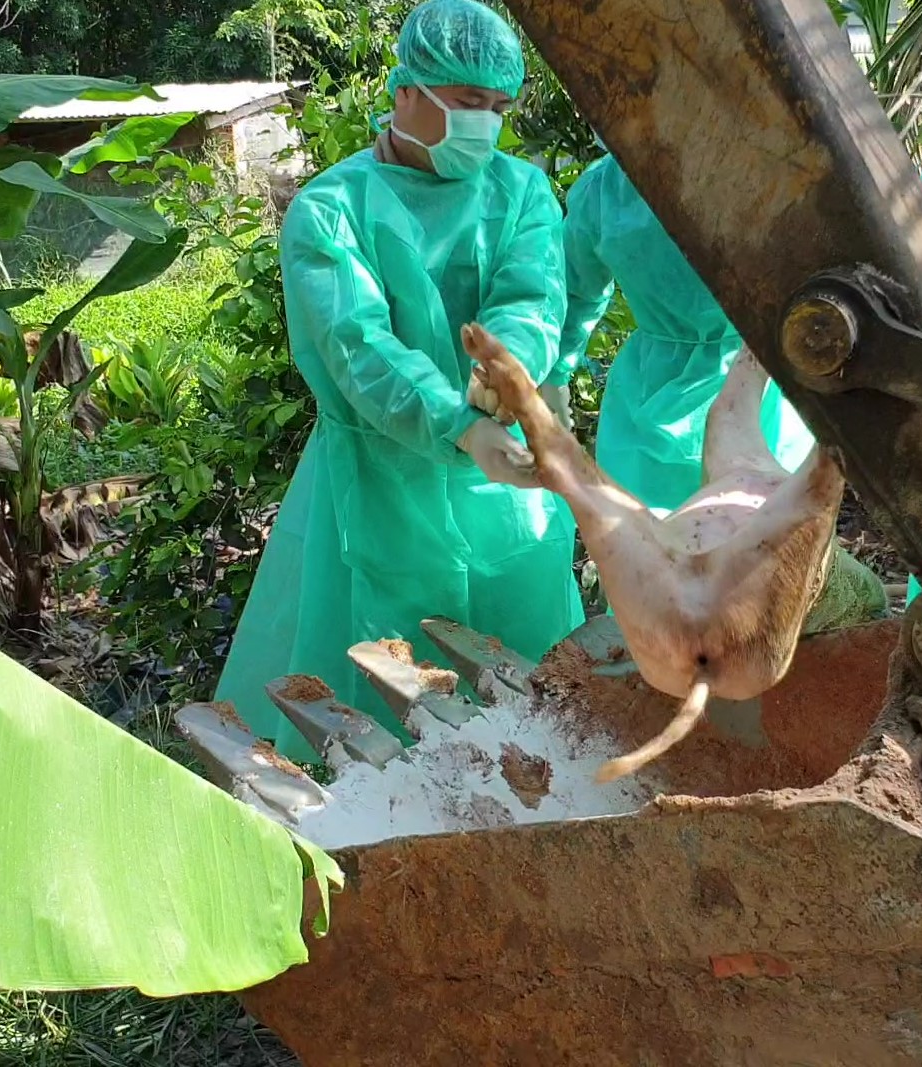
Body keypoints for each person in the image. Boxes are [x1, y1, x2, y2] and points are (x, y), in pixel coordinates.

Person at [214, 0, 583, 761]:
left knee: (534, 674)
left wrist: (504, 371)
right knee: (383, 692)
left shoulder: (518, 192)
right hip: (379, 480)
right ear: (406, 89)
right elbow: (359, 346)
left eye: (496, 107)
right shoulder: (331, 209)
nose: (485, 123)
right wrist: (459, 424)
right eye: (465, 103)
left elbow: (533, 294)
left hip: (503, 489)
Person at [554, 148, 816, 513]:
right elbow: (571, 292)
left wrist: (554, 377)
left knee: (650, 543)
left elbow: (572, 293)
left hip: (687, 390)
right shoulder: (772, 170)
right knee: (761, 541)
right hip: (756, 378)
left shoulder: (605, 191)